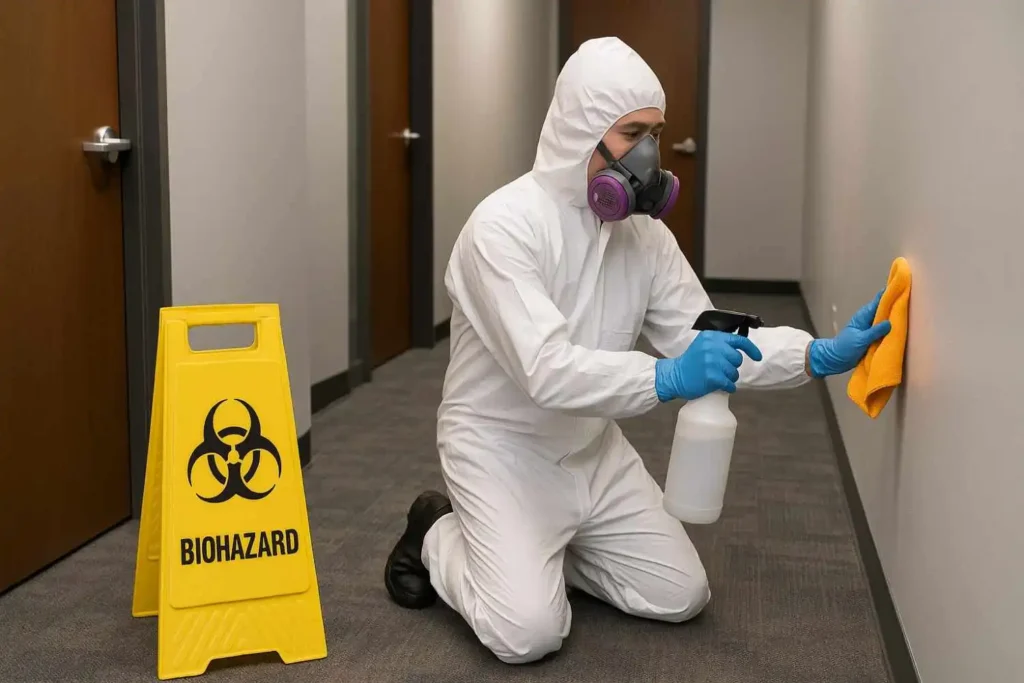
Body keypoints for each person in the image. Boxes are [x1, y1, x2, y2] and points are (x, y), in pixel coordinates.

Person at [383, 37, 891, 664]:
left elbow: (705, 336)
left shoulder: (644, 236)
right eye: (631, 133)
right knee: (528, 635)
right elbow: (547, 371)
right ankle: (435, 531)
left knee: (681, 594)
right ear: (579, 131)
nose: (648, 155)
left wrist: (816, 354)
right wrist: (669, 376)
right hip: (501, 451)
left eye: (656, 132)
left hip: (593, 450)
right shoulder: (502, 228)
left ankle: (536, 552)